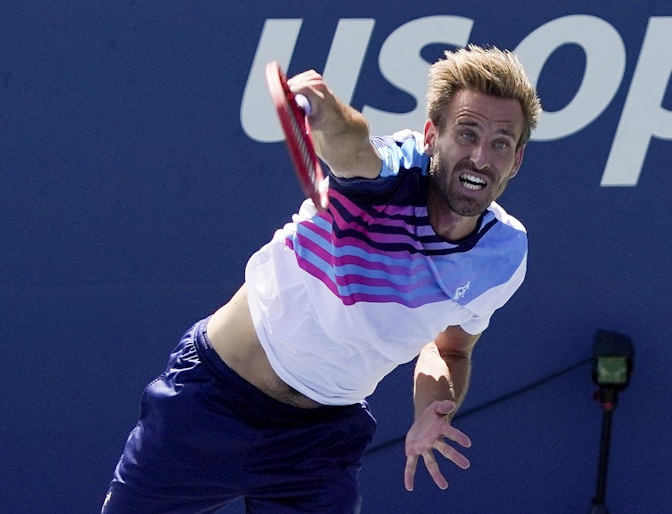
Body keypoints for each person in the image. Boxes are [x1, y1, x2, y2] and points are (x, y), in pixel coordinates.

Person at [102, 45, 542, 514]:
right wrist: (326, 112)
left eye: (500, 143)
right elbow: (352, 148)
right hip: (209, 404)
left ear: (516, 160)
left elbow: (451, 348)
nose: (479, 156)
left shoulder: (503, 255)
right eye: (467, 133)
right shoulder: (392, 174)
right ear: (432, 135)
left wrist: (434, 407)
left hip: (317, 444)